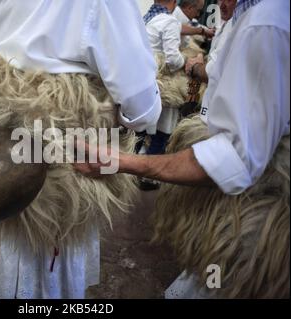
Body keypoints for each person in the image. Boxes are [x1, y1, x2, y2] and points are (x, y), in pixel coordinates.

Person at [0, 0, 162, 299]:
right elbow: (142, 109)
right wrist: (102, 111)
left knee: (25, 239)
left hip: (2, 148)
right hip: (69, 159)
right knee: (58, 251)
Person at [75, 0, 290, 298]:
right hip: (169, 101)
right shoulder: (257, 19)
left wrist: (121, 161)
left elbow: (236, 158)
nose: (219, 6)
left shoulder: (266, 23)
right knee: (160, 133)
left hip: (254, 208)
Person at [138, 0, 186, 190]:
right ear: (174, 2)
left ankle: (132, 170)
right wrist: (190, 60)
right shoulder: (169, 21)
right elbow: (173, 59)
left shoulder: (147, 19)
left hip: (146, 82)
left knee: (142, 129)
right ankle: (148, 177)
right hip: (166, 85)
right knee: (163, 131)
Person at [185, 0, 237, 83]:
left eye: (228, 0)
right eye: (220, 0)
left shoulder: (234, 25)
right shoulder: (225, 23)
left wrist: (194, 67)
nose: (221, 6)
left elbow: (213, 71)